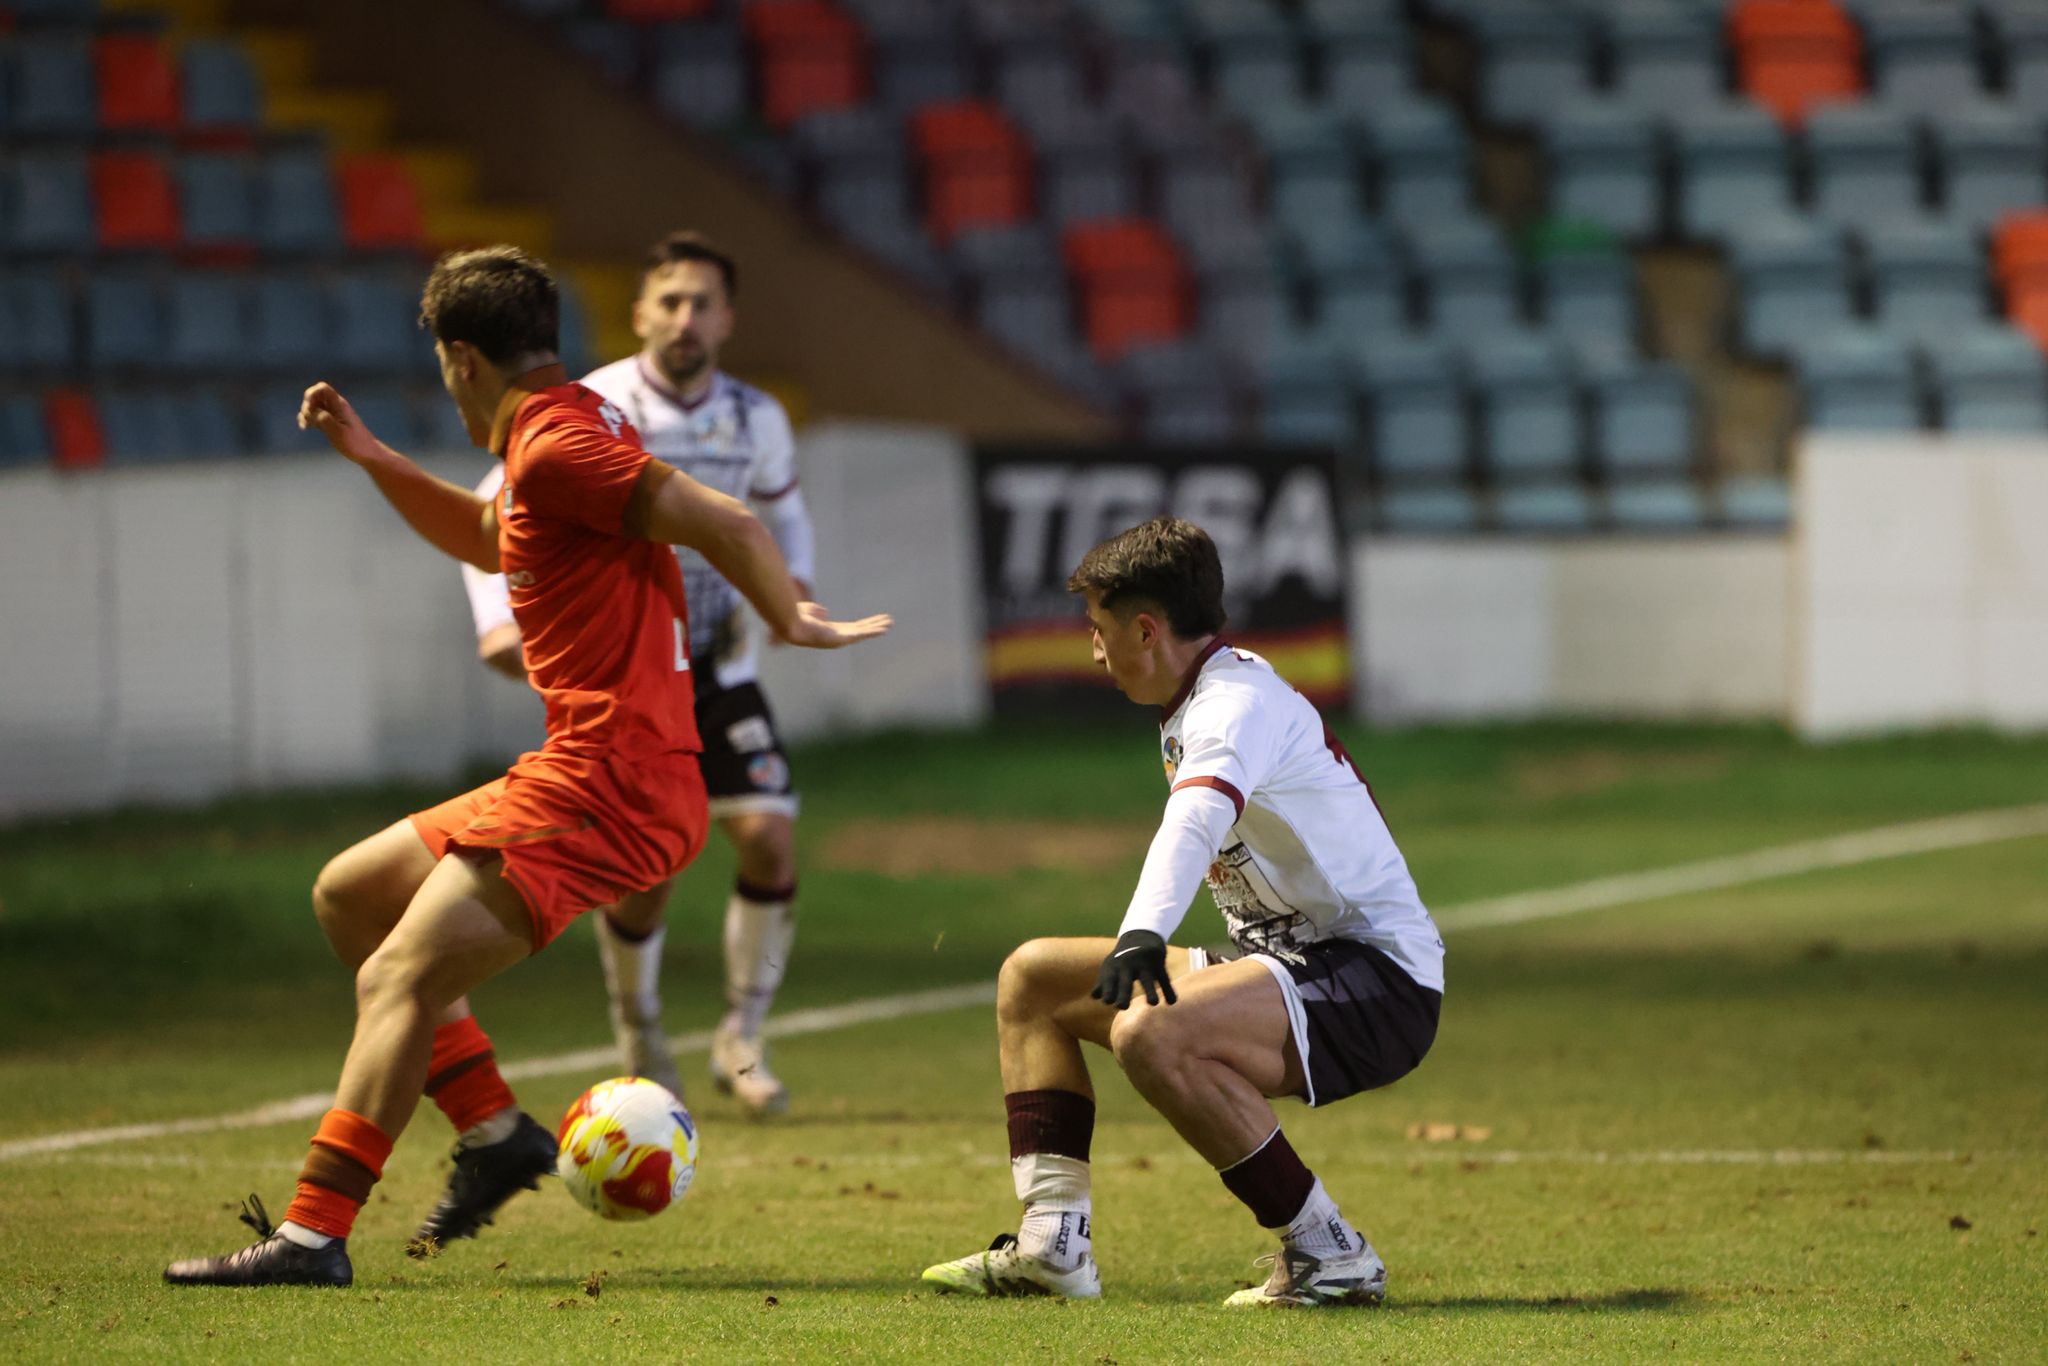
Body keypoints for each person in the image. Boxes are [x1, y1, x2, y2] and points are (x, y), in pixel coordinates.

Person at [163, 245, 889, 1288]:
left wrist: (792, 619)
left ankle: (313, 1236)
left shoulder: (560, 447)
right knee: (350, 897)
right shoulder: (570, 430)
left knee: (397, 974)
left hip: (613, 781)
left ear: (462, 360)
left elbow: (724, 518)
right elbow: (483, 533)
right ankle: (498, 1132)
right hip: (586, 765)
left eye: (443, 370)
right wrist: (372, 455)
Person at [920, 516, 1443, 1308]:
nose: (1093, 648)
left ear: (1145, 628)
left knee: (1149, 1030)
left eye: (1098, 628)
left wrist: (1143, 935)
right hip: (1288, 962)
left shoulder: (1233, 705)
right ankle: (1052, 1245)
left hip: (1375, 979)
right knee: (1034, 981)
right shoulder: (1200, 695)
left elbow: (1194, 820)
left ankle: (1329, 1251)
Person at [455, 231, 815, 1114]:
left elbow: (783, 518)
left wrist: (792, 589)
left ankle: (742, 1038)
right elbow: (489, 511)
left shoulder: (758, 417)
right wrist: (498, 621)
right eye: (670, 301)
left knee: (769, 836)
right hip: (632, 672)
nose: (685, 319)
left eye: (702, 303)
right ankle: (640, 1029)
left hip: (722, 669)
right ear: (639, 312)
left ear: (727, 319)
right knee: (650, 870)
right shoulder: (595, 403)